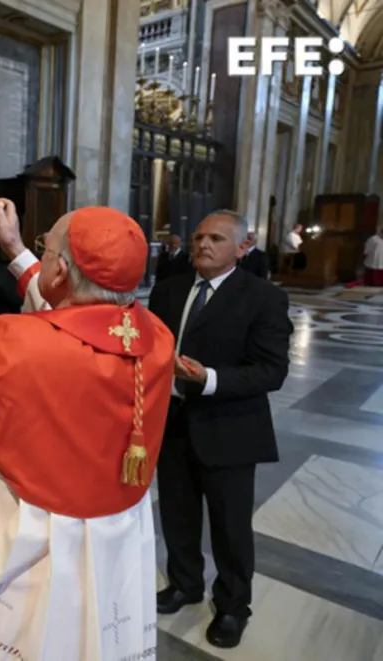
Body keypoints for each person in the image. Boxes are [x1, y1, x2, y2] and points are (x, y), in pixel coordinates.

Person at [0, 201, 175, 661]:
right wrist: (15, 250)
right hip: (111, 535)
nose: (44, 256)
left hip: (31, 537)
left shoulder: (23, 347)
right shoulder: (154, 338)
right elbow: (76, 311)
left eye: (47, 250)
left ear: (62, 272)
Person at [148, 210, 293, 649]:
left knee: (230, 528)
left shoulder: (263, 297)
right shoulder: (170, 289)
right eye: (198, 237)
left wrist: (208, 378)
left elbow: (270, 371)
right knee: (177, 513)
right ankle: (185, 583)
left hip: (229, 427)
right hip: (172, 424)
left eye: (215, 238)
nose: (203, 245)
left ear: (242, 247)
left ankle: (232, 606)